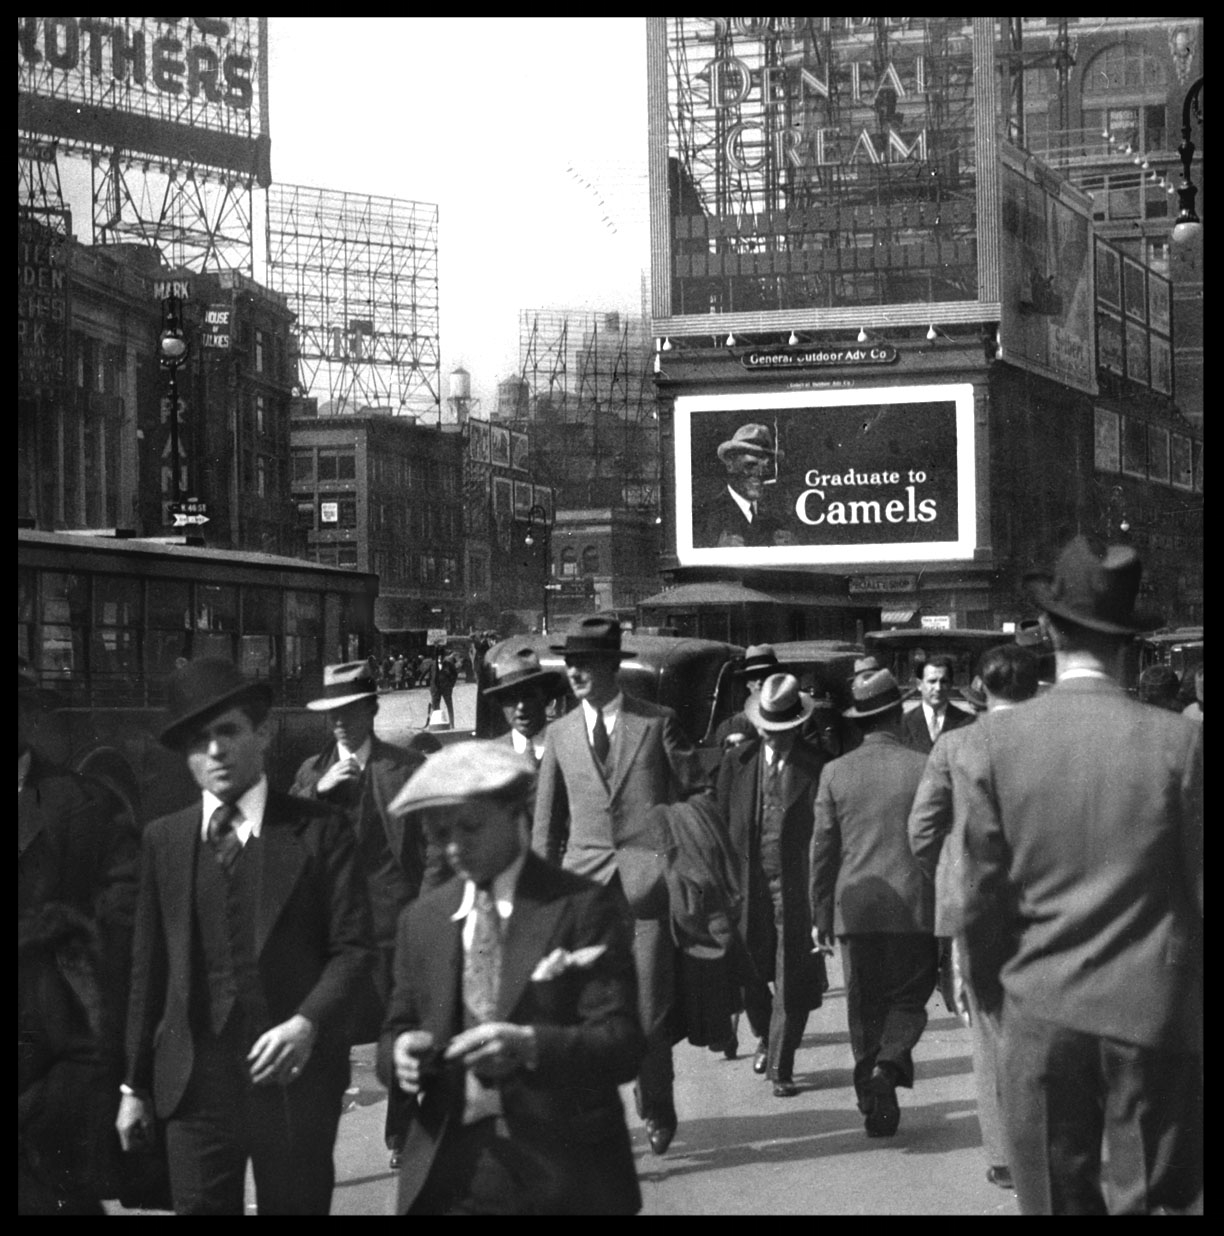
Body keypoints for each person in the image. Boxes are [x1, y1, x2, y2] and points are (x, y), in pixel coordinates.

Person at [959, 537, 1203, 1215]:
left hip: (1039, 1010)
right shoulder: (1180, 744)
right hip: (1150, 1013)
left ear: (1047, 633)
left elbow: (975, 899)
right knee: (1149, 1197)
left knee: (1054, 1197)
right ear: (1129, 644)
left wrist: (995, 997)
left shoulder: (990, 744)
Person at [116, 658, 374, 1215]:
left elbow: (354, 950)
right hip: (195, 1090)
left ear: (261, 733)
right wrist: (133, 1088)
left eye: (228, 731)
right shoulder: (165, 840)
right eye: (197, 740)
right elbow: (148, 972)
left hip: (293, 1086)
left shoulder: (317, 830)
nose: (214, 751)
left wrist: (307, 1024)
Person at [378, 742, 645, 1215]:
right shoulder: (421, 921)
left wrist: (530, 1043)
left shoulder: (581, 907)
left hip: (563, 1171)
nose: (455, 847)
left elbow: (622, 1044)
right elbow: (395, 1030)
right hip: (453, 1174)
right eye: (440, 834)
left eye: (471, 826)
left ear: (515, 812)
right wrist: (399, 1056)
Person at [532, 615, 705, 1156]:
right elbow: (547, 824)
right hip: (582, 894)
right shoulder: (558, 734)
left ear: (611, 667)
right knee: (585, 1011)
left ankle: (656, 1106)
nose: (574, 673)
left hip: (647, 891)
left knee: (649, 1009)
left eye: (584, 663)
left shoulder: (656, 723)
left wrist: (676, 858)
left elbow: (696, 796)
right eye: (570, 664)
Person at [907, 645, 1040, 1192]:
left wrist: (950, 872)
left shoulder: (955, 746)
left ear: (980, 690)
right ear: (1033, 689)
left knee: (987, 1032)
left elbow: (921, 829)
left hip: (977, 905)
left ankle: (1005, 1156)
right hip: (1045, 901)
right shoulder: (1051, 742)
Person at [289, 661, 428, 1169]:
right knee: (326, 1036)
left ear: (371, 710)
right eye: (331, 714)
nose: (340, 723)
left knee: (401, 1033)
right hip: (332, 929)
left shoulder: (406, 767)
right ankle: (316, 1137)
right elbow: (284, 843)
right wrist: (318, 792)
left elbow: (430, 849)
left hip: (394, 922)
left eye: (349, 710)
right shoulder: (310, 772)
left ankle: (402, 1135)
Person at [810, 668, 938, 1138]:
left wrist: (820, 913)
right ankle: (889, 1064)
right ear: (897, 714)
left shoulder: (834, 772)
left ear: (860, 721)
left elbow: (822, 851)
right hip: (913, 905)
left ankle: (874, 1104)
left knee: (864, 1009)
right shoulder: (923, 766)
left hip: (857, 908)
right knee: (908, 998)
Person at [715, 674, 828, 1098]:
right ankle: (765, 1034)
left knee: (790, 974)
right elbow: (722, 826)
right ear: (759, 726)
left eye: (786, 732)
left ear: (797, 726)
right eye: (771, 732)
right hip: (747, 886)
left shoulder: (816, 765)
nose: (778, 740)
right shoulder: (737, 762)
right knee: (746, 975)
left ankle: (781, 1065)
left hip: (796, 889)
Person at [694, 423, 794, 549]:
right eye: (751, 465)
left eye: (765, 467)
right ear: (730, 464)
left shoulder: (776, 518)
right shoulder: (704, 517)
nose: (760, 474)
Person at [482, 644, 567, 767]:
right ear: (502, 705)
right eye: (511, 699)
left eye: (529, 696)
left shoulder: (568, 746)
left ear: (545, 697)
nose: (521, 706)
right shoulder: (491, 756)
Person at [901, 654, 976, 753]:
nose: (938, 688)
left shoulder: (967, 722)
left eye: (944, 681)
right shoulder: (903, 723)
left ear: (951, 684)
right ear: (919, 685)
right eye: (932, 681)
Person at [713, 643, 782, 747]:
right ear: (747, 684)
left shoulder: (800, 721)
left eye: (765, 675)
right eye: (754, 676)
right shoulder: (732, 725)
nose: (759, 682)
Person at [425, 645, 458, 729]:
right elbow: (429, 675)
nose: (440, 657)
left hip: (446, 688)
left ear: (443, 656)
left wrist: (451, 685)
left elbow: (454, 674)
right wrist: (430, 687)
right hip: (436, 688)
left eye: (441, 655)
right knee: (435, 706)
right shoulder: (432, 664)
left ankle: (452, 723)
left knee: (449, 706)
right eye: (438, 655)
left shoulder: (448, 664)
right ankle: (435, 723)